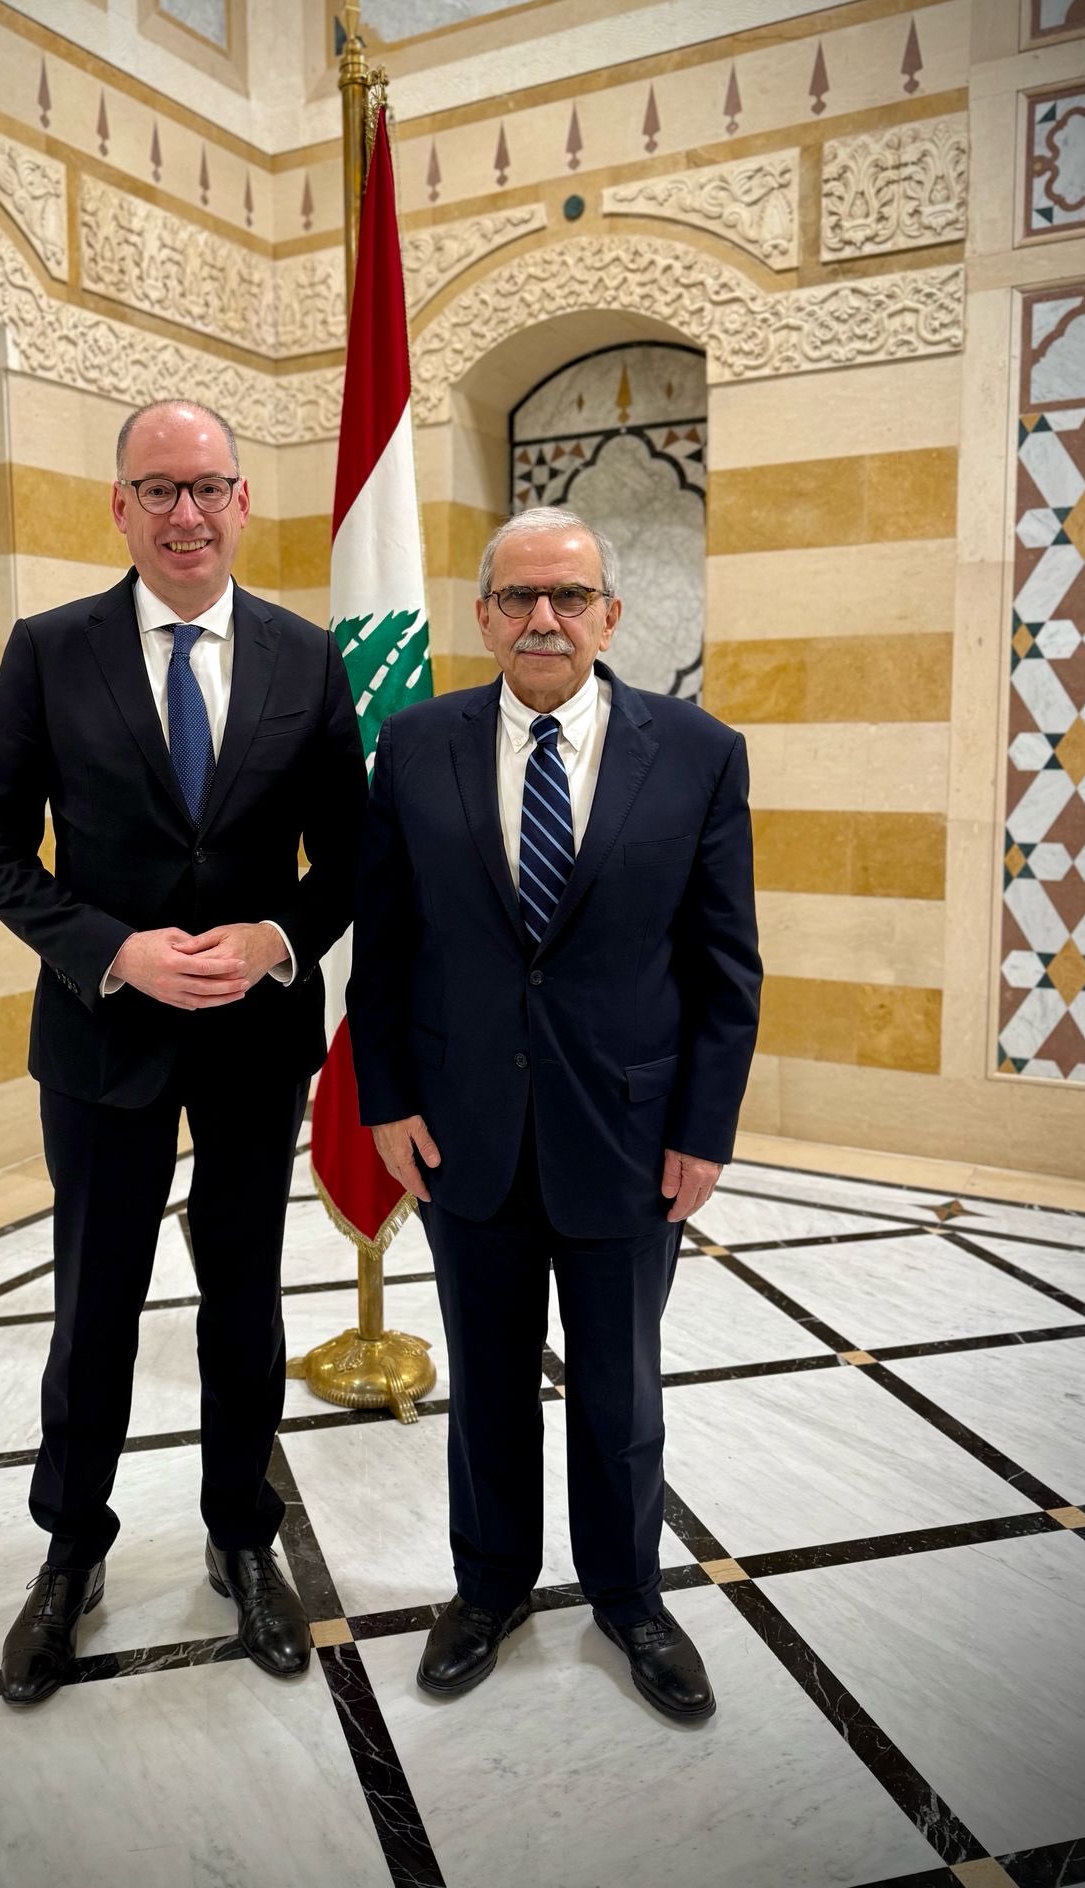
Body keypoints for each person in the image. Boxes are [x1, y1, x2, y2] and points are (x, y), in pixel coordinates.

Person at [0, 398, 367, 1705]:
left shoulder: (308, 659)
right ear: (118, 508)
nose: (185, 513)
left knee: (246, 1301)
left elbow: (350, 857)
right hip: (100, 1039)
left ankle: (244, 1539)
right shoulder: (48, 651)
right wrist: (111, 949)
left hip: (255, 1044)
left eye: (208, 488)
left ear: (245, 503)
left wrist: (275, 938)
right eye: (158, 489)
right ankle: (71, 1552)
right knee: (96, 1306)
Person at [348, 504, 761, 1720]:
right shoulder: (414, 748)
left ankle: (630, 1596)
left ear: (610, 616)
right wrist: (384, 1100)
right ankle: (489, 1587)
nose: (544, 618)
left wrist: (704, 1126)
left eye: (568, 597)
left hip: (631, 1137)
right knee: (483, 1380)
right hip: (461, 1131)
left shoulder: (696, 751)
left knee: (623, 1388)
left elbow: (725, 964)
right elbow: (386, 947)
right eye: (519, 597)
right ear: (481, 615)